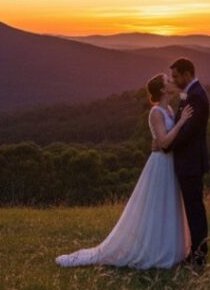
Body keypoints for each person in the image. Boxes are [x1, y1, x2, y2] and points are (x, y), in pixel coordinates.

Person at [55, 73, 193, 269]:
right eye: (167, 81)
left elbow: (165, 139)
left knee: (168, 205)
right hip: (161, 165)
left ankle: (168, 247)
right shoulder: (156, 112)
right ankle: (153, 250)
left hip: (170, 164)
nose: (171, 82)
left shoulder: (169, 109)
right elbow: (162, 142)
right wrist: (181, 123)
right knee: (156, 207)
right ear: (162, 89)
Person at [153, 57, 210, 269]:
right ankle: (194, 253)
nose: (175, 81)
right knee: (192, 209)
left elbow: (187, 133)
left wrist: (166, 145)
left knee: (195, 210)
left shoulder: (196, 96)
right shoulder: (190, 93)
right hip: (188, 162)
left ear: (187, 74)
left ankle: (199, 257)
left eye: (177, 76)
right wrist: (160, 139)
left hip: (191, 163)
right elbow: (179, 124)